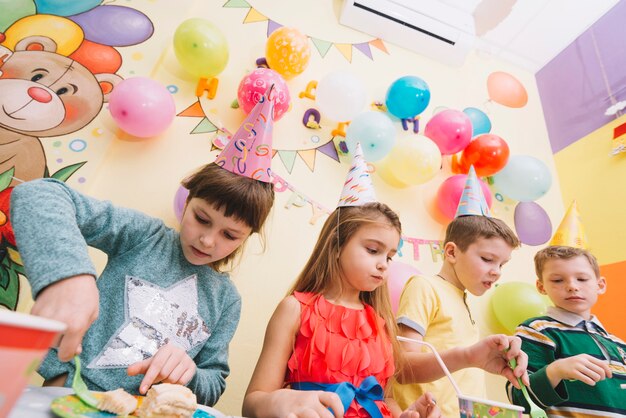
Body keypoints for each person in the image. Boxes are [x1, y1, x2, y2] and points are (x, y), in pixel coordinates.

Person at [10, 88, 277, 406]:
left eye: (230, 236)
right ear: (188, 201)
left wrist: (190, 372)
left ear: (246, 237)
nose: (208, 240)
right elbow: (38, 194)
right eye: (202, 219)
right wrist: (67, 275)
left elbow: (213, 384)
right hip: (64, 397)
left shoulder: (226, 300)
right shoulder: (143, 236)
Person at [243, 144, 442, 418]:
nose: (384, 263)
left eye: (390, 256)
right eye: (373, 250)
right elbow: (252, 403)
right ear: (336, 245)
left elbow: (384, 400)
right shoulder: (295, 310)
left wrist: (406, 415)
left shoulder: (380, 322)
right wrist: (278, 403)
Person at [390, 166, 529, 417]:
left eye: (502, 264)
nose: (496, 271)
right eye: (488, 259)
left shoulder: (463, 299)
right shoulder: (425, 287)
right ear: (452, 252)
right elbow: (403, 367)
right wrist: (468, 356)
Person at [507, 203, 626, 416]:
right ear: (541, 287)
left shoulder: (618, 344)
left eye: (581, 278)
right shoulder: (536, 331)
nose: (572, 286)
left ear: (600, 285)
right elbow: (518, 399)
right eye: (558, 280)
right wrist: (555, 371)